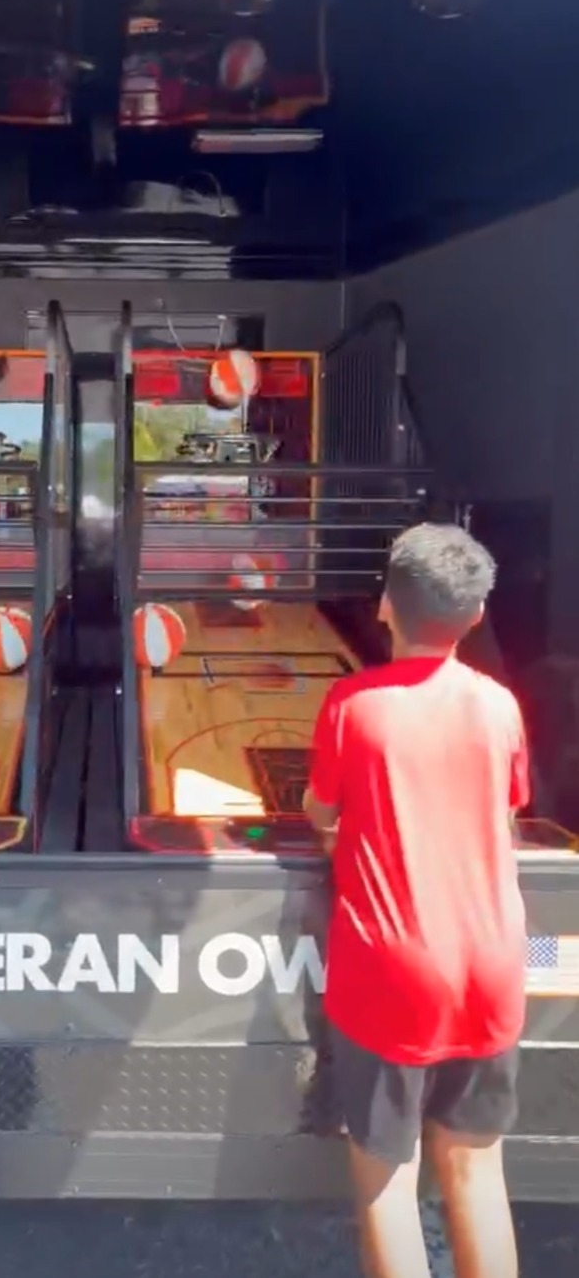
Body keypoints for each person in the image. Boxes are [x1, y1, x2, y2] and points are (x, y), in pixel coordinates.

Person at [304, 522, 528, 1278]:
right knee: (478, 1175)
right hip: (492, 966)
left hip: (394, 973)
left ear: (384, 607)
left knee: (388, 1187)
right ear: (476, 615)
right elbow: (504, 811)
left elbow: (320, 811)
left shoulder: (353, 704)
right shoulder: (500, 706)